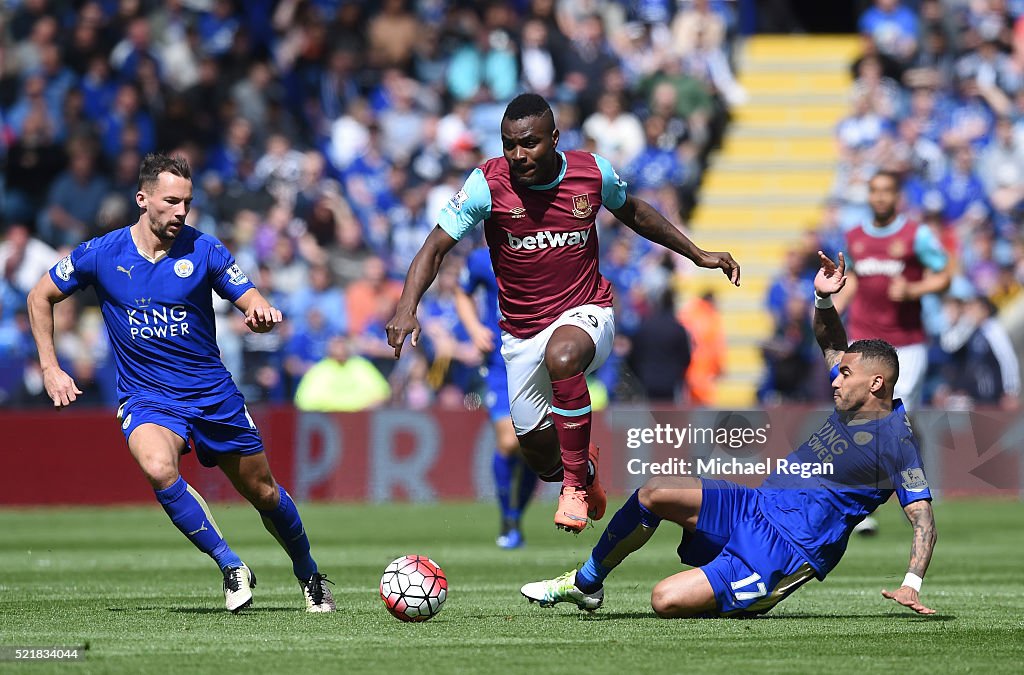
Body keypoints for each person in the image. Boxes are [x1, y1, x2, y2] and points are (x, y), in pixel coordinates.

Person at [386, 93, 739, 533]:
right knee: (538, 455)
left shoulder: (592, 172)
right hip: (520, 333)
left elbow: (635, 213)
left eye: (529, 143)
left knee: (564, 356)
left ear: (554, 138)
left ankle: (572, 487)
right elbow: (435, 245)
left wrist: (696, 253)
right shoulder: (485, 185)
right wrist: (407, 307)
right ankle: (581, 473)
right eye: (509, 144)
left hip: (588, 311)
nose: (518, 155)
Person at [521, 252, 937, 618]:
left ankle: (741, 587)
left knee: (663, 599)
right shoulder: (852, 403)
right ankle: (586, 582)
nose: (835, 380)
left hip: (785, 551)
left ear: (877, 384)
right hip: (756, 505)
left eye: (845, 375)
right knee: (656, 491)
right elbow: (831, 343)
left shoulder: (896, 442)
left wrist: (911, 583)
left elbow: (922, 518)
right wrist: (823, 298)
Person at [26, 153, 335, 614]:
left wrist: (260, 312)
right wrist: (50, 367)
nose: (180, 212)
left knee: (264, 492)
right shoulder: (102, 253)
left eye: (186, 203)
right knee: (156, 466)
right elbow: (39, 295)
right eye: (171, 202)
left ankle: (309, 573)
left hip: (212, 394)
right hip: (148, 397)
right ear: (142, 199)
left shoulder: (205, 249)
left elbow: (248, 295)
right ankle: (231, 565)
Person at [836, 170, 951, 409]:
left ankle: (912, 443)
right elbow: (855, 277)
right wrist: (832, 308)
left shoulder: (916, 235)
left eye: (886, 191)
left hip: (905, 342)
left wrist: (913, 290)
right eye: (875, 191)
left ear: (897, 196)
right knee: (863, 410)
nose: (880, 198)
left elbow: (944, 277)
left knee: (900, 412)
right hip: (862, 338)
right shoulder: (854, 236)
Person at [454, 245, 538, 549]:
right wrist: (475, 328)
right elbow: (462, 292)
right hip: (500, 362)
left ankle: (516, 517)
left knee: (533, 448)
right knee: (508, 440)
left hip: (539, 360)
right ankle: (508, 518)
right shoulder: (481, 258)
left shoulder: (543, 245)